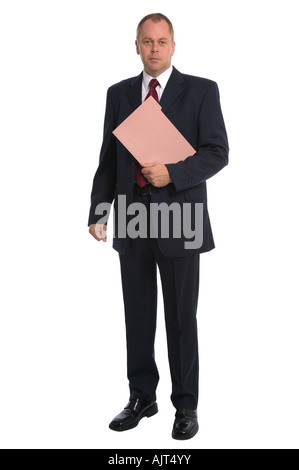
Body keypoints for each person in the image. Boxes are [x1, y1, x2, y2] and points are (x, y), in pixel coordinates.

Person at [88, 13, 229, 440]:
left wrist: (173, 173)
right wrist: (99, 210)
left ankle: (185, 405)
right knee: (138, 316)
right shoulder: (119, 94)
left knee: (182, 318)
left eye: (162, 41)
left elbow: (217, 152)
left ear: (173, 46)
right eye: (147, 42)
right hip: (132, 219)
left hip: (180, 217)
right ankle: (141, 397)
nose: (154, 49)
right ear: (136, 46)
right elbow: (108, 159)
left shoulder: (202, 91)